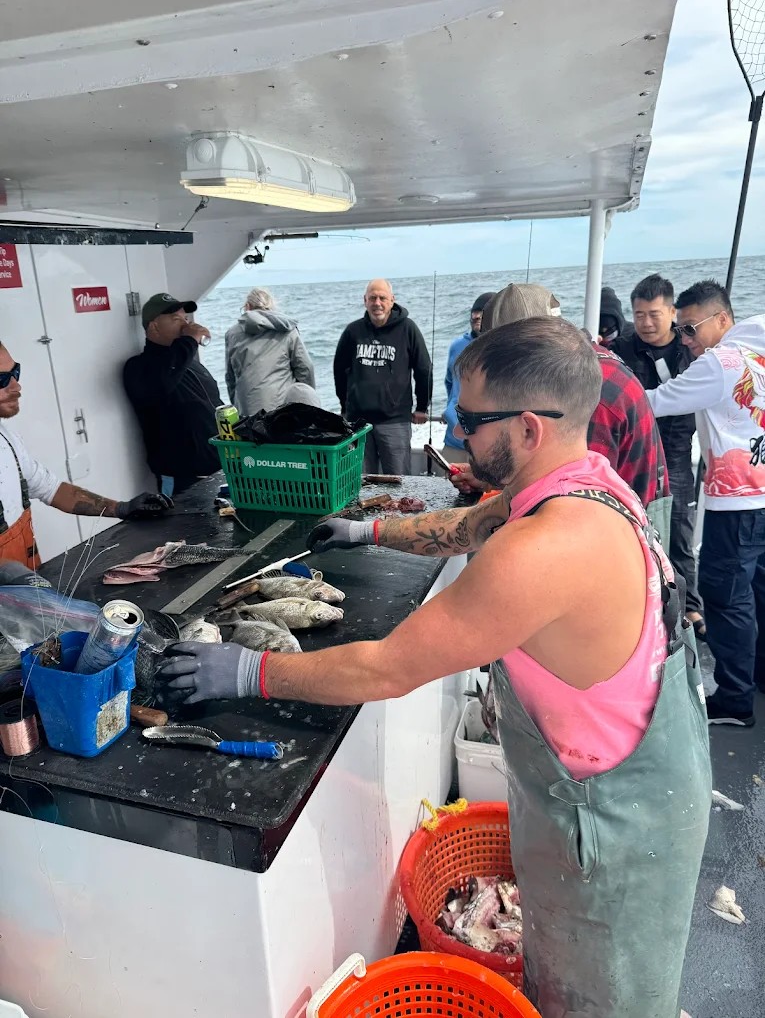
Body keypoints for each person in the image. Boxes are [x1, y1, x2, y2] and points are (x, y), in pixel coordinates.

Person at [157, 318, 709, 1018]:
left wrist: (247, 673)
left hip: (613, 835)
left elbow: (386, 670)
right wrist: (370, 530)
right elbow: (467, 525)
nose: (456, 429)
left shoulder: (546, 549)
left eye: (471, 419)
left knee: (600, 1004)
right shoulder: (582, 481)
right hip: (616, 792)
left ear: (530, 428)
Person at [646, 280, 765, 727]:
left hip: (736, 505)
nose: (686, 341)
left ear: (722, 320)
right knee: (758, 593)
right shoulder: (757, 348)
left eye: (691, 329)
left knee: (728, 599)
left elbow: (654, 402)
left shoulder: (720, 364)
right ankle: (757, 676)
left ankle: (735, 700)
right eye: (680, 331)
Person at [454, 283, 670, 513]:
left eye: (503, 359)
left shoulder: (588, 391)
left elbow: (572, 497)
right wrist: (491, 476)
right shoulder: (575, 365)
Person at [0, 342, 169, 567]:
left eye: (15, 372)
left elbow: (51, 489)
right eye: (2, 380)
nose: (17, 386)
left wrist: (121, 508)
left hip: (27, 588)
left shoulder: (7, 438)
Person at [615, 274, 704, 636]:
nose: (646, 323)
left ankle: (691, 607)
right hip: (634, 456)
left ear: (671, 312)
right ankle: (640, 602)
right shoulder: (621, 349)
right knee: (633, 531)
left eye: (654, 314)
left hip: (678, 453)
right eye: (638, 315)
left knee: (679, 531)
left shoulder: (693, 352)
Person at [123, 293, 222, 499]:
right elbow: (160, 384)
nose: (185, 324)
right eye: (176, 319)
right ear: (154, 326)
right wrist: (188, 341)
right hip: (183, 479)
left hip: (219, 469)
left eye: (186, 319)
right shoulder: (139, 367)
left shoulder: (189, 363)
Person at [333, 279, 432, 474]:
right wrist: (345, 406)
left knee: (398, 483)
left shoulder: (408, 329)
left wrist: (422, 407)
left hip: (395, 422)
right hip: (358, 423)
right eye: (372, 298)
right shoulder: (353, 332)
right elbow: (339, 370)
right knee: (359, 483)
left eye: (382, 298)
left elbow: (424, 369)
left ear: (392, 300)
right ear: (365, 301)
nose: (377, 303)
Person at [224, 287, 315, 416]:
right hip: (282, 409)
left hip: (246, 410)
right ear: (270, 306)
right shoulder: (286, 329)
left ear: (247, 306)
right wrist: (307, 402)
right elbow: (305, 367)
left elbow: (230, 376)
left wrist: (237, 404)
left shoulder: (232, 333)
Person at [442, 292, 495, 462]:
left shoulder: (503, 349)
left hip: (488, 445)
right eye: (475, 311)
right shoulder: (457, 346)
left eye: (483, 312)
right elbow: (450, 383)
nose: (477, 316)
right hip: (453, 440)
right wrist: (451, 412)